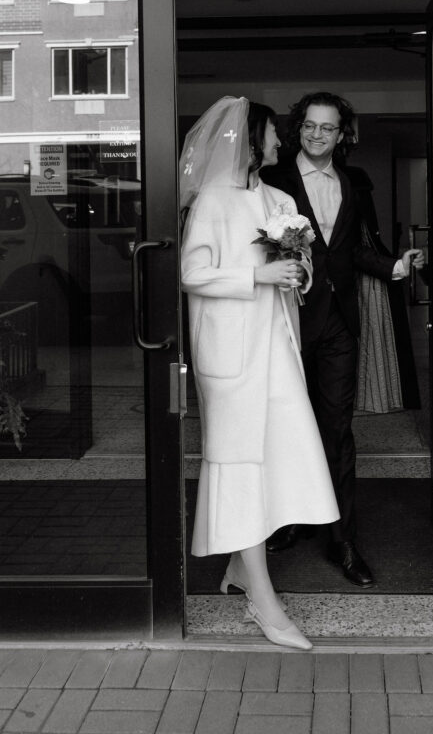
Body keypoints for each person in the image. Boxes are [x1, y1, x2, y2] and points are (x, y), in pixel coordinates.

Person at [180, 96, 339, 650]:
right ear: (250, 141)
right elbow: (191, 273)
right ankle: (265, 604)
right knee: (242, 462)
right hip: (230, 355)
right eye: (272, 136)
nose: (279, 143)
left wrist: (298, 274)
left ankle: (242, 568)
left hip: (277, 348)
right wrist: (259, 275)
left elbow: (298, 273)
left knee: (278, 454)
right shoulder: (212, 202)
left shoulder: (277, 198)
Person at [261, 91, 423, 586]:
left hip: (338, 326)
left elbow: (350, 250)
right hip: (284, 322)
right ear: (298, 129)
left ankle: (343, 541)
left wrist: (396, 266)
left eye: (327, 128)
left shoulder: (352, 184)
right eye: (309, 125)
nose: (316, 134)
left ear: (341, 134)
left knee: (337, 433)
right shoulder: (271, 180)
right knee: (284, 428)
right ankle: (287, 520)